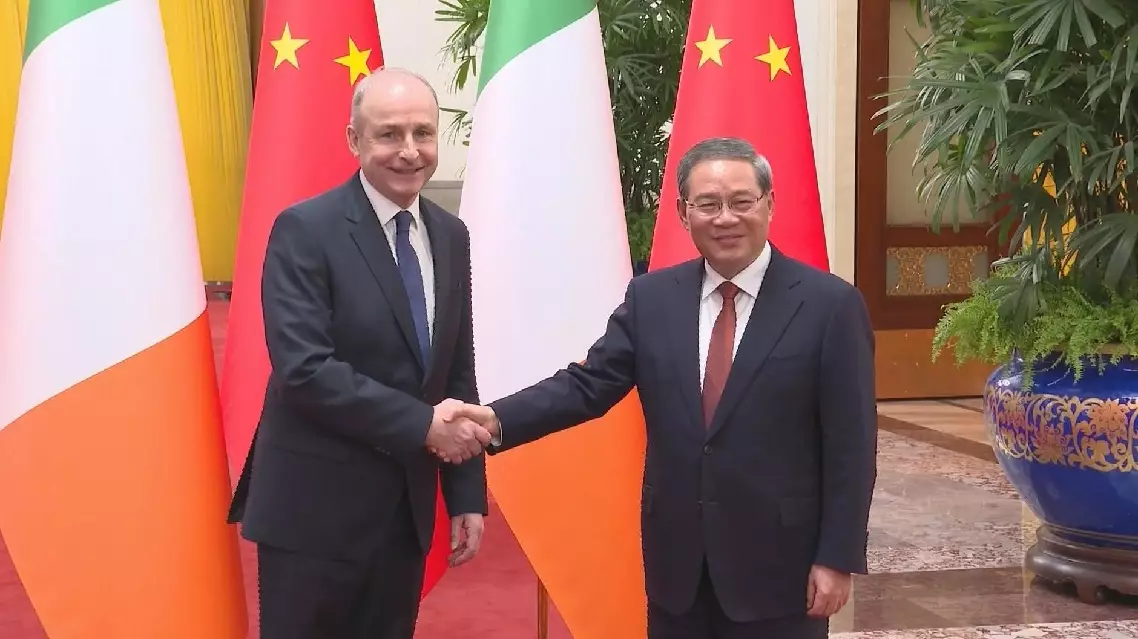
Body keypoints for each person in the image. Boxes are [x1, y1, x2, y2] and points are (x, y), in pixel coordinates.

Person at [443, 137, 878, 639]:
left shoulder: (829, 306)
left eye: (741, 201)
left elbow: (851, 446)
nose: (726, 218)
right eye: (708, 204)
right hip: (678, 569)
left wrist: (837, 557)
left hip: (783, 570)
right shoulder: (652, 298)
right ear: (682, 213)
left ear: (769, 204)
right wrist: (497, 419)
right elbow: (588, 384)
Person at [227, 68, 493, 639]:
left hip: (402, 516)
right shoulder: (305, 229)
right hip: (313, 517)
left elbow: (457, 369)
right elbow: (305, 370)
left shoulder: (451, 235)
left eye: (423, 133)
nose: (409, 151)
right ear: (354, 139)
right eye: (389, 134)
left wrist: (466, 493)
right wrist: (424, 426)